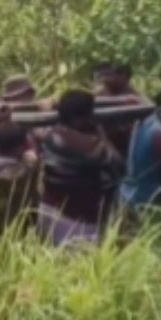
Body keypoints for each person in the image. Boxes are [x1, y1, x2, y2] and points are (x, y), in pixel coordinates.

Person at [38, 90, 124, 246]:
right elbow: (117, 162)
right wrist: (101, 131)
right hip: (76, 218)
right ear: (85, 115)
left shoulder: (49, 135)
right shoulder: (90, 146)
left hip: (49, 208)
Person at [93, 63, 143, 158]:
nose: (111, 77)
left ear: (125, 78)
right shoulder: (99, 96)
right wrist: (107, 145)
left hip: (132, 141)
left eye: (117, 74)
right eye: (112, 74)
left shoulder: (135, 97)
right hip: (106, 140)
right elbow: (96, 123)